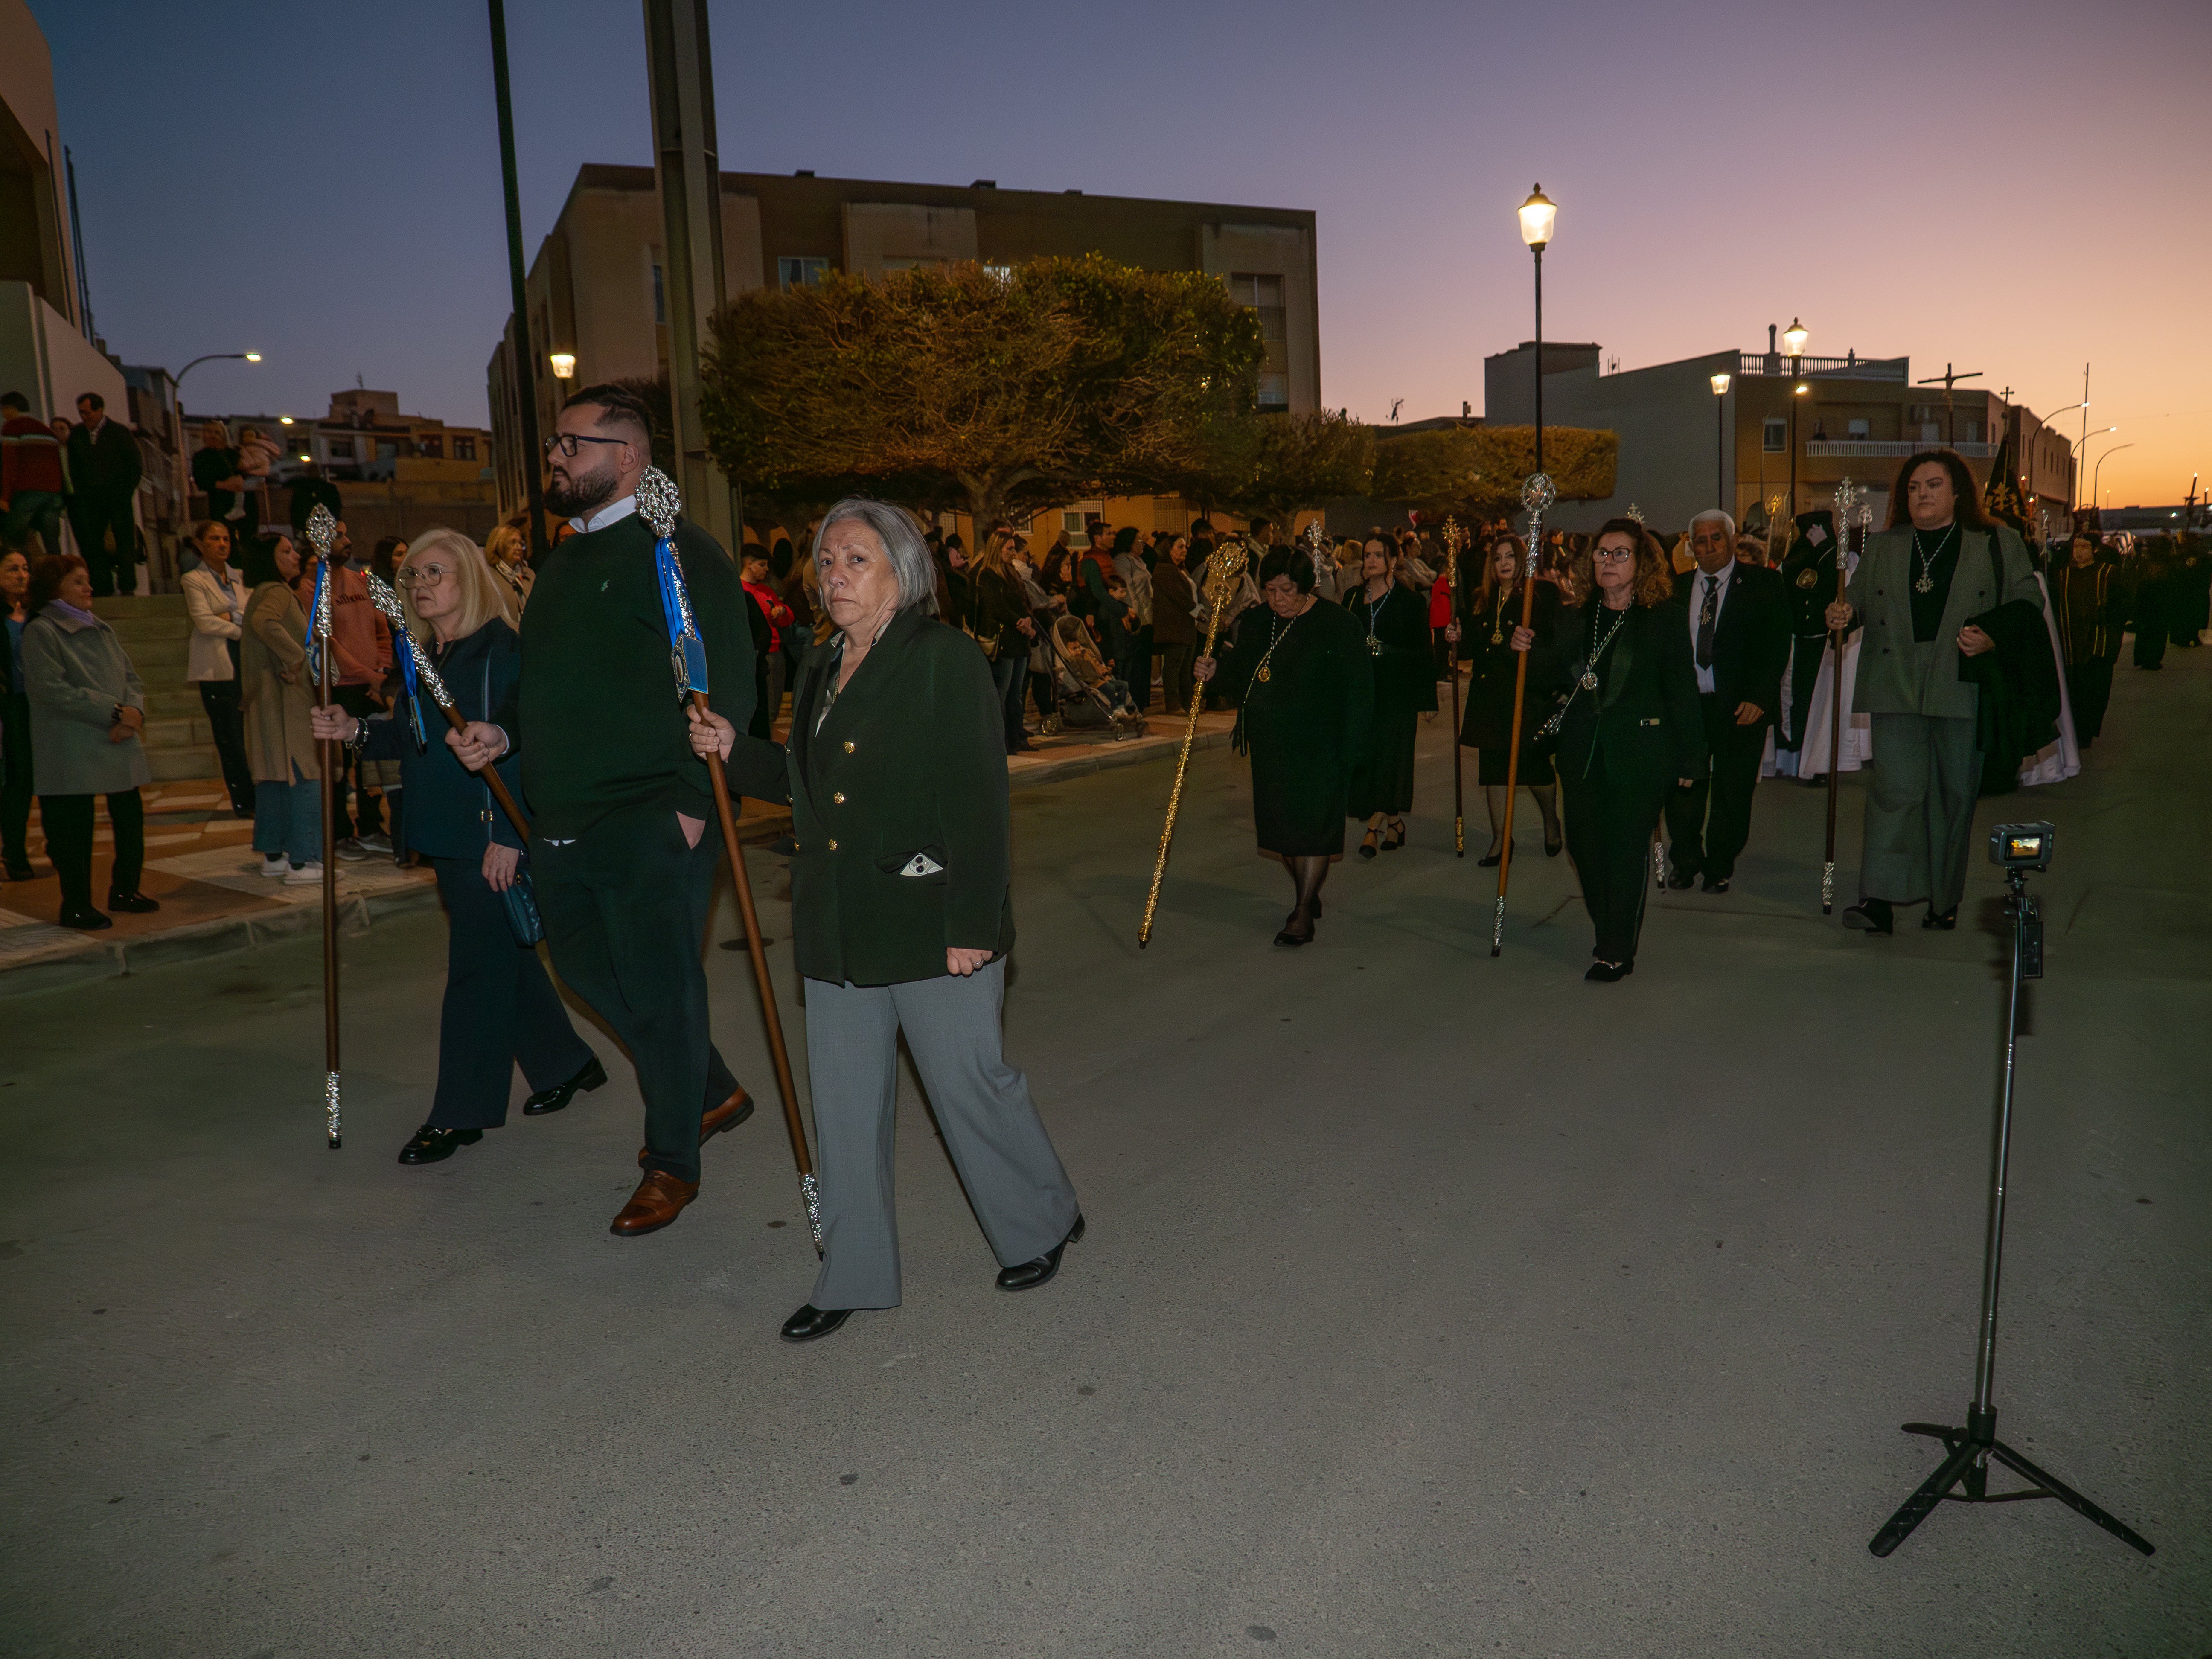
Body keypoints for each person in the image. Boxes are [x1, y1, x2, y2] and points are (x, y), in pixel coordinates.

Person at [688, 497, 1080, 1344]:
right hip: (838, 922)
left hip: (931, 912)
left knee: (969, 1088)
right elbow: (808, 784)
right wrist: (732, 746)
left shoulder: (942, 658)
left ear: (904, 572)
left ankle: (1041, 1219)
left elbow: (977, 799)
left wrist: (975, 921)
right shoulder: (823, 663)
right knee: (844, 1105)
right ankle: (853, 1276)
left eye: (856, 560)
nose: (835, 576)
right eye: (826, 561)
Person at [448, 383, 784, 1237]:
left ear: (628, 458)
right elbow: (544, 686)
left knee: (662, 990)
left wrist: (690, 803)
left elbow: (729, 687)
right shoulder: (561, 562)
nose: (557, 457)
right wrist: (500, 733)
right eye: (557, 444)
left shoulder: (680, 553)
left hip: (653, 812)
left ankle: (673, 1160)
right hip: (563, 815)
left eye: (575, 444)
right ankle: (708, 1089)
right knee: (588, 975)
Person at [311, 528, 601, 1165]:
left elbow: (526, 743)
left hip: (484, 833)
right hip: (443, 830)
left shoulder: (501, 648)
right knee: (503, 955)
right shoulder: (422, 654)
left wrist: (506, 834)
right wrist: (355, 730)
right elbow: (414, 739)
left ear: (469, 579)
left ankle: (460, 1113)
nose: (421, 585)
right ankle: (567, 1064)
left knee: (475, 971)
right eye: (414, 576)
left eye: (436, 573)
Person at [1824, 449, 2042, 934]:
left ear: (1958, 491)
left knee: (1952, 795)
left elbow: (2028, 601)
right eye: (1914, 487)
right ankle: (1878, 900)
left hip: (1960, 680)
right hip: (1895, 679)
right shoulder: (1884, 546)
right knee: (1893, 793)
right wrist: (1841, 615)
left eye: (1934, 485)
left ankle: (1942, 899)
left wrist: (1992, 633)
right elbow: (1855, 601)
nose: (1922, 494)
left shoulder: (1994, 542)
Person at [1531, 520, 1703, 981]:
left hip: (1643, 753)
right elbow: (1547, 673)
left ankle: (1615, 949)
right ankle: (1611, 927)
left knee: (1626, 850)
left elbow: (1681, 688)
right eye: (1602, 554)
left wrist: (1692, 756)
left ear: (1642, 563)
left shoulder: (1663, 617)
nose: (1607, 561)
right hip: (1581, 752)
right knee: (1584, 848)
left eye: (1620, 554)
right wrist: (1521, 649)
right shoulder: (1577, 615)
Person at [1193, 546, 1373, 946]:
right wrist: (1213, 672)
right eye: (1271, 590)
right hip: (1274, 744)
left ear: (1306, 587)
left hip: (1323, 745)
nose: (1278, 599)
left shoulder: (1338, 624)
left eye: (1287, 590)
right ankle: (1307, 891)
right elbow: (1242, 675)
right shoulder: (1257, 622)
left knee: (1313, 829)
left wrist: (1355, 744)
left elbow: (1359, 689)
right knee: (1285, 831)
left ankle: (1303, 910)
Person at [21, 553, 158, 928]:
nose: (89, 587)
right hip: (73, 744)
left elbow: (131, 678)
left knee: (129, 818)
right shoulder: (42, 631)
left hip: (117, 738)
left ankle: (125, 890)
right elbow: (51, 690)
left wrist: (133, 714)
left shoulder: (100, 627)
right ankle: (76, 904)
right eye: (78, 581)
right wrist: (115, 712)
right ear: (55, 589)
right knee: (73, 831)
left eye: (87, 579)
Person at [1660, 510, 1790, 894]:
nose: (1709, 545)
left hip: (1741, 707)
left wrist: (1760, 697)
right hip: (1688, 706)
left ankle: (1720, 864)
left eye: (1717, 537)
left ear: (1733, 541)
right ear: (1691, 546)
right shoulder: (1675, 589)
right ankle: (1685, 860)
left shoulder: (1764, 583)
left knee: (1733, 791)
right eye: (1700, 539)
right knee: (1683, 788)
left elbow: (1776, 644)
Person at [1446, 533, 1562, 866]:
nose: (1504, 563)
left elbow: (1552, 643)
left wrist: (1527, 643)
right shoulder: (1484, 598)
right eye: (1497, 558)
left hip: (1525, 693)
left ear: (1522, 559)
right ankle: (1501, 839)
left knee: (1535, 766)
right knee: (1493, 769)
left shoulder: (1540, 594)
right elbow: (1473, 647)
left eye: (1510, 556)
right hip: (1489, 694)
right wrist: (1457, 638)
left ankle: (1551, 821)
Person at [239, 534, 323, 885]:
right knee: (305, 777)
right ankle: (303, 862)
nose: (295, 556)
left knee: (274, 780)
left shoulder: (262, 592)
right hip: (288, 704)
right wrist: (295, 655)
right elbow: (265, 624)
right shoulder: (276, 592)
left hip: (268, 704)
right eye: (286, 552)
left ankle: (276, 856)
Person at [1343, 536, 1435, 856]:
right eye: (1367, 556)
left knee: (1392, 758)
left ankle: (1373, 829)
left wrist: (1428, 700)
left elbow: (1424, 651)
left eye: (1378, 556)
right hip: (1365, 688)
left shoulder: (1410, 602)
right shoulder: (1353, 598)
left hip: (1399, 689)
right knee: (1371, 757)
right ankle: (1395, 823)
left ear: (1392, 561)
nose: (1370, 561)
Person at [324, 524, 393, 859]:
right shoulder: (313, 588)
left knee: (373, 761)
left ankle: (369, 827)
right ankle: (339, 833)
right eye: (338, 535)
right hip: (339, 689)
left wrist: (382, 670)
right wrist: (368, 675)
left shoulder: (361, 582)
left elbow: (382, 631)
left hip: (370, 685)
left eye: (347, 533)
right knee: (339, 767)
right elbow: (328, 646)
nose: (348, 541)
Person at [180, 520, 256, 816]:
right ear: (200, 544)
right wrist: (240, 626)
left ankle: (256, 796)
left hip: (244, 660)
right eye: (215, 539)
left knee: (248, 735)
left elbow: (248, 614)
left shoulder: (239, 577)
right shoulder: (194, 579)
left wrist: (230, 616)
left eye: (226, 539)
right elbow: (204, 620)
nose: (222, 544)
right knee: (231, 738)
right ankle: (244, 801)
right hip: (217, 666)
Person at [1775, 510, 1843, 765]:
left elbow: (1839, 582)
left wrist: (1827, 549)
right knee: (1797, 699)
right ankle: (1795, 758)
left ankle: (1820, 761)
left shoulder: (1835, 557)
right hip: (1797, 643)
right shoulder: (1792, 562)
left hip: (1827, 643)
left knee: (1823, 700)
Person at [64, 393, 143, 597]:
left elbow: (134, 465)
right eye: (82, 413)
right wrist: (81, 493)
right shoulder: (78, 435)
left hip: (117, 497)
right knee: (93, 544)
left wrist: (124, 492)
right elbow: (75, 468)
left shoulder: (118, 433)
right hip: (91, 500)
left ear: (100, 410)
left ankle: (127, 585)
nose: (85, 417)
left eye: (88, 413)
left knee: (124, 542)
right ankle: (102, 586)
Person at [2052, 533, 2122, 749]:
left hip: (2097, 645)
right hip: (2070, 645)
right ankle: (2074, 732)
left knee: (2094, 692)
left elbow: (2120, 610)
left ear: (2094, 550)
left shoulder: (2108, 574)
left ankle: (2086, 733)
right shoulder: (2061, 577)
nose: (2079, 552)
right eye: (2076, 547)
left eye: (2084, 547)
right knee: (2073, 691)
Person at [967, 530, 1034, 754]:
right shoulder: (987, 575)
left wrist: (1027, 621)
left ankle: (1017, 738)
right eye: (1009, 548)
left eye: (1014, 548)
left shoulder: (1011, 573)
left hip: (1018, 640)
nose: (1013, 553)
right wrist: (1019, 621)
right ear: (998, 549)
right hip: (1003, 641)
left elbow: (1022, 603)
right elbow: (996, 607)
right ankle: (1001, 742)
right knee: (1002, 693)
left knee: (1016, 694)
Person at [0, 549, 34, 878]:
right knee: (18, 779)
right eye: (12, 569)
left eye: (25, 568)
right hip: (9, 705)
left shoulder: (36, 612)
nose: (22, 575)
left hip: (39, 704)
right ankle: (14, 851)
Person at [1, 392, 67, 556]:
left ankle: (25, 576)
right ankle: (57, 577)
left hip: (27, 493)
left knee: (15, 542)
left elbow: (10, 465)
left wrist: (5, 498)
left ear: (10, 409)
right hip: (52, 494)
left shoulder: (12, 428)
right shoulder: (45, 430)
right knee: (52, 544)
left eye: (4, 409)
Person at [1151, 533, 1198, 714]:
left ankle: (1187, 704)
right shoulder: (1164, 570)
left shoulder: (1181, 569)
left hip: (1186, 627)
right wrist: (1197, 611)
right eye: (1180, 547)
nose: (1185, 550)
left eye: (1186, 546)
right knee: (1173, 667)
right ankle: (1173, 704)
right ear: (1169, 550)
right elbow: (1180, 596)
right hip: (1174, 627)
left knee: (1186, 669)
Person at [192, 422, 246, 533]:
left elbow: (244, 475)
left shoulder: (233, 454)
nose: (213, 435)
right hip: (215, 506)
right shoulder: (201, 457)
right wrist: (224, 485)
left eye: (217, 432)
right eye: (209, 432)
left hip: (238, 503)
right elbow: (201, 482)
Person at [286, 459, 342, 545]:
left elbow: (296, 511)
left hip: (315, 528)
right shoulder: (303, 489)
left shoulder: (302, 489)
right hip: (316, 528)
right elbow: (297, 509)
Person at [484, 518, 534, 610]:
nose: (519, 548)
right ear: (498, 546)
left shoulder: (529, 575)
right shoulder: (488, 577)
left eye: (521, 543)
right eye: (513, 543)